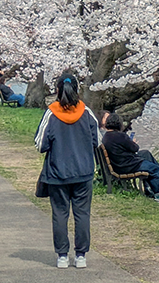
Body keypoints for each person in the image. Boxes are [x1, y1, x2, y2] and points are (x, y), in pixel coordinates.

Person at [34, 70, 100, 269]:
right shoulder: (87, 113)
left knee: (60, 214)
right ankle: (81, 256)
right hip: (84, 172)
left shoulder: (51, 113)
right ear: (77, 90)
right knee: (82, 214)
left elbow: (40, 144)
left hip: (58, 173)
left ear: (57, 90)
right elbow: (97, 140)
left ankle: (62, 256)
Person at [101, 113, 159, 202]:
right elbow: (135, 148)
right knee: (155, 169)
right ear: (119, 124)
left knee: (145, 153)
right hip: (128, 165)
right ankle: (158, 194)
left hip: (120, 163)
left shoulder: (106, 136)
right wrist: (132, 142)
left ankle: (150, 188)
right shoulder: (120, 136)